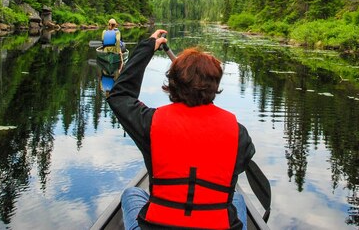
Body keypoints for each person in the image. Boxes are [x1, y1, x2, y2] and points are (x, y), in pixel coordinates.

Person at [107, 29, 255, 230]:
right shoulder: (239, 135)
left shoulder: (150, 123)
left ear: (172, 84)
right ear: (214, 87)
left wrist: (147, 47)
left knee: (131, 194)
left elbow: (120, 96)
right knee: (237, 199)